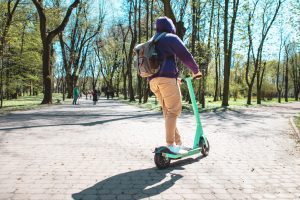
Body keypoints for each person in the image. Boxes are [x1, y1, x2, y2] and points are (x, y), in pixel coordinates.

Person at [148, 16, 202, 154]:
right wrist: (195, 71)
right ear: (171, 26)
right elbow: (185, 55)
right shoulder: (170, 38)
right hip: (166, 79)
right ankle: (170, 144)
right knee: (174, 111)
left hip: (153, 81)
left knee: (168, 112)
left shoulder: (152, 40)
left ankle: (177, 143)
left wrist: (174, 77)